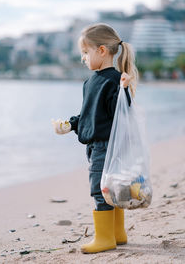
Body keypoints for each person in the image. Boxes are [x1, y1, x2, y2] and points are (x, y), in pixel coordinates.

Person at [51, 23, 138, 254]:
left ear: (101, 51)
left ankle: (105, 238)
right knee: (113, 188)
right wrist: (71, 124)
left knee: (101, 191)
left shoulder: (115, 80)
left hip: (108, 146)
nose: (83, 58)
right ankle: (118, 234)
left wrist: (123, 91)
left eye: (85, 53)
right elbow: (89, 115)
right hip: (95, 146)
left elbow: (122, 113)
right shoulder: (90, 82)